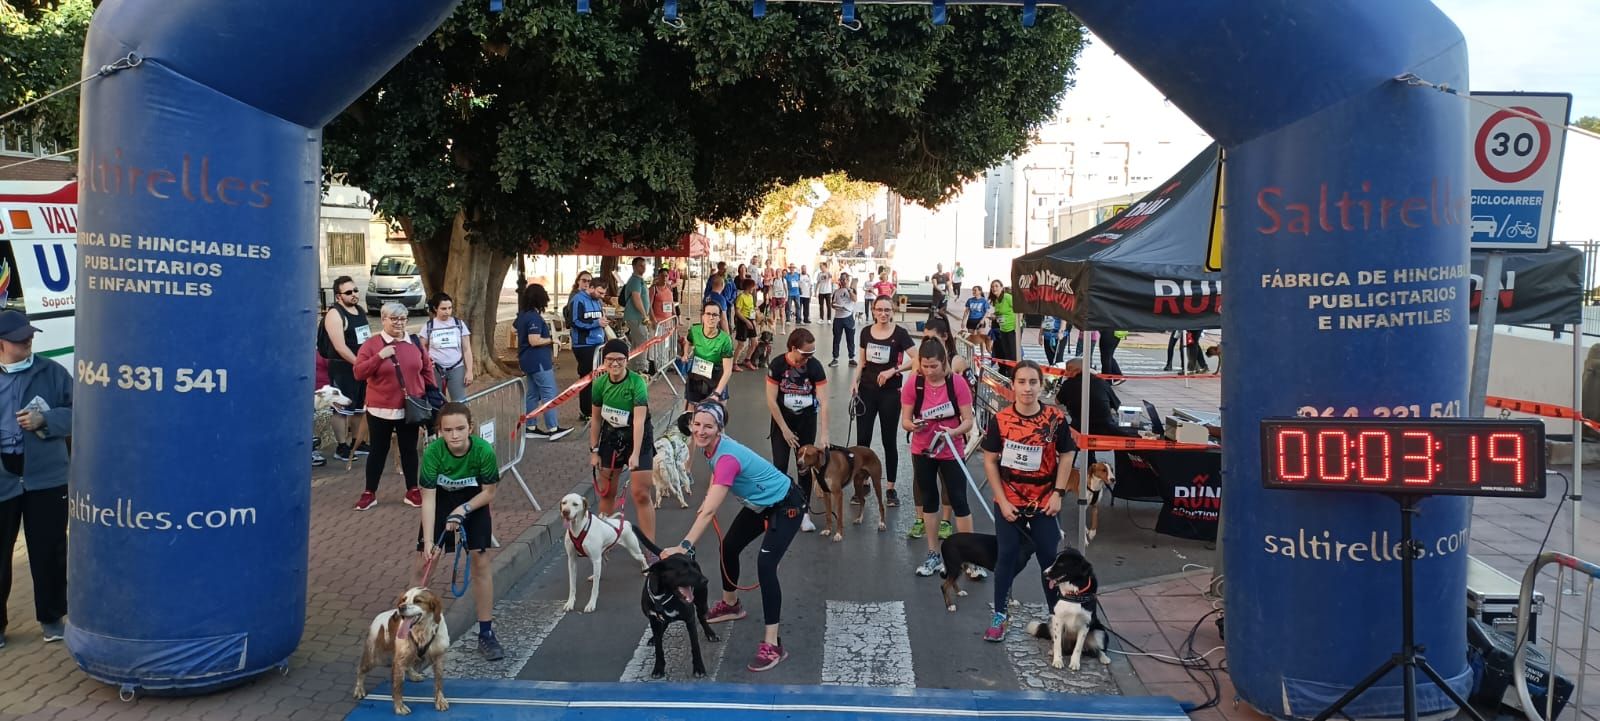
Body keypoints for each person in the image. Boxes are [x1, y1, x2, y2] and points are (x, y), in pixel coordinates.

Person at [663, 401, 803, 673]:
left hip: (787, 505)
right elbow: (714, 493)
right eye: (697, 424)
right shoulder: (713, 448)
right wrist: (708, 499)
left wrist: (684, 545)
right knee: (729, 546)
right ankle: (731, 605)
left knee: (766, 566)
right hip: (760, 504)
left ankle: (773, 644)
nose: (701, 431)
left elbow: (711, 510)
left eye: (708, 426)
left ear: (719, 430)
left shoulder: (726, 457)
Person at [981, 360, 1073, 641]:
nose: (1027, 388)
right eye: (1021, 382)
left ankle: (1056, 616)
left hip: (1044, 500)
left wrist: (1058, 493)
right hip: (1010, 499)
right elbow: (989, 459)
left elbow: (1068, 454)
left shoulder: (1055, 419)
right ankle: (999, 615)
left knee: (1049, 559)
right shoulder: (1002, 419)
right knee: (1007, 556)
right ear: (1013, 385)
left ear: (1041, 385)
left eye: (1033, 382)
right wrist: (1001, 500)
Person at [0, 311, 72, 648]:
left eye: (30, 335)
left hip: (47, 478)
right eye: (19, 337)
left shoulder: (53, 372)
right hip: (3, 480)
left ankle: (52, 618)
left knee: (50, 551)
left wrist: (47, 419)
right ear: (2, 344)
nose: (28, 340)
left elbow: (83, 412)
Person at [417, 402, 505, 660]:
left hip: (473, 499)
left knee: (481, 561)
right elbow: (429, 498)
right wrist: (430, 542)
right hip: (441, 499)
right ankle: (414, 628)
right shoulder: (433, 452)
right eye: (448, 430)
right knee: (424, 563)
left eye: (460, 429)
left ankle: (486, 633)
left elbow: (489, 492)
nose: (454, 435)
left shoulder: (483, 451)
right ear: (439, 431)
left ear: (470, 428)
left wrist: (463, 509)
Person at [353, 302, 437, 511]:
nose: (399, 323)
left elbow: (426, 369)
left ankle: (412, 489)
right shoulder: (372, 344)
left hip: (410, 407)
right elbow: (359, 372)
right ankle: (369, 492)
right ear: (383, 320)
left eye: (403, 319)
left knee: (409, 450)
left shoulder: (414, 342)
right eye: (394, 319)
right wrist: (379, 357)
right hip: (379, 407)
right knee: (378, 451)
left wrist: (430, 393)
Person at [901, 339, 974, 576]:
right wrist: (913, 426)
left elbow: (968, 421)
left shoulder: (957, 383)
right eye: (925, 366)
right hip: (923, 449)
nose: (930, 372)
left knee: (959, 500)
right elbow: (905, 420)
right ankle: (933, 553)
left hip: (951, 449)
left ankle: (968, 556)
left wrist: (952, 432)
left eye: (934, 366)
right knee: (929, 499)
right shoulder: (915, 383)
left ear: (944, 363)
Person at [589, 338, 657, 542]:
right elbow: (596, 419)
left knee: (641, 493)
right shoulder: (599, 384)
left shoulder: (637, 383)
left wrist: (635, 454)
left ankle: (650, 550)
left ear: (627, 360)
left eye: (620, 359)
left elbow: (638, 421)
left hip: (638, 436)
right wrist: (593, 450)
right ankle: (604, 545)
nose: (615, 364)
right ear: (604, 362)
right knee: (607, 491)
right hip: (611, 436)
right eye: (610, 360)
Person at [852, 295, 916, 508]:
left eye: (887, 310)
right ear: (873, 311)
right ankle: (863, 482)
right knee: (863, 440)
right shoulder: (865, 332)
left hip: (889, 394)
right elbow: (862, 362)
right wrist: (855, 382)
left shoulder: (900, 334)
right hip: (867, 391)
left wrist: (893, 370)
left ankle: (890, 487)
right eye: (879, 310)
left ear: (893, 311)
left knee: (889, 441)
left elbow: (917, 358)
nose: (883, 314)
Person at [765, 328, 829, 534]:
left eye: (813, 353)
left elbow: (823, 400)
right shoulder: (777, 365)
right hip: (782, 422)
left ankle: (804, 513)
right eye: (806, 353)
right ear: (794, 348)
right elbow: (771, 400)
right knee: (780, 465)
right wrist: (784, 430)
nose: (809, 358)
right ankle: (777, 509)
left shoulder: (815, 367)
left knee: (805, 468)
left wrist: (824, 433)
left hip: (806, 422)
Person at [908, 318, 965, 541]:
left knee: (948, 480)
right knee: (921, 480)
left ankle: (945, 520)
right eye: (925, 338)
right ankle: (921, 518)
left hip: (950, 434)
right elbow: (914, 382)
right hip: (924, 436)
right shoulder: (921, 364)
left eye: (933, 338)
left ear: (945, 337)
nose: (928, 342)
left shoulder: (956, 360)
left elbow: (954, 380)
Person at [514, 284, 573, 441]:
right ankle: (553, 428)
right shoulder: (533, 317)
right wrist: (552, 340)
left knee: (533, 394)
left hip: (526, 359)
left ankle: (530, 426)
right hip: (538, 360)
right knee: (549, 393)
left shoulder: (523, 315)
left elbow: (517, 330)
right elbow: (534, 340)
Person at [322, 275, 370, 461]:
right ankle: (341, 446)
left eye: (355, 290)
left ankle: (357, 443)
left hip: (361, 367)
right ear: (338, 296)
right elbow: (340, 347)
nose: (354, 294)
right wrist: (360, 363)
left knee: (359, 407)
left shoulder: (360, 310)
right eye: (348, 292)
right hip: (343, 368)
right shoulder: (335, 314)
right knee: (342, 408)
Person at [419, 292, 474, 402]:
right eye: (443, 308)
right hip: (436, 369)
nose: (447, 312)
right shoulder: (429, 326)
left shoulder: (459, 324)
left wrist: (469, 371)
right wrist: (427, 362)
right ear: (435, 309)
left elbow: (467, 349)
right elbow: (421, 348)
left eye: (449, 308)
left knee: (460, 402)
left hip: (456, 367)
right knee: (436, 400)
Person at [682, 301, 734, 411]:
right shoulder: (695, 330)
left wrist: (717, 393)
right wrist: (685, 354)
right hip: (697, 375)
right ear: (703, 316)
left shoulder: (725, 340)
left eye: (715, 315)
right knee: (691, 414)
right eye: (708, 314)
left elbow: (728, 370)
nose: (711, 318)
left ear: (719, 318)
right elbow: (688, 341)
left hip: (716, 377)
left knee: (717, 415)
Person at [570, 275, 607, 423]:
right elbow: (575, 321)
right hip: (584, 345)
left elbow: (599, 319)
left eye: (603, 293)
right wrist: (595, 323)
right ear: (591, 288)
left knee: (598, 378)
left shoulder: (597, 301)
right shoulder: (578, 300)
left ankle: (597, 408)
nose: (601, 296)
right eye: (599, 292)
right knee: (587, 378)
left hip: (598, 343)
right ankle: (586, 411)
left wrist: (602, 324)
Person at [623, 257, 652, 374]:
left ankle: (632, 369)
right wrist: (645, 315)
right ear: (634, 266)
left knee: (637, 343)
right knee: (642, 341)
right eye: (641, 265)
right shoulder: (635, 280)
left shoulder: (639, 280)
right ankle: (641, 368)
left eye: (644, 265)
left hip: (637, 317)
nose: (643, 268)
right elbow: (636, 297)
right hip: (635, 317)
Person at [989, 281, 1018, 377]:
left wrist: (1018, 324)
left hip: (1013, 328)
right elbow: (999, 314)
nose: (994, 288)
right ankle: (1009, 375)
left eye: (996, 286)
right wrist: (993, 316)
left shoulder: (1007, 297)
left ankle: (1015, 374)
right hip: (1003, 329)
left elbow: (1019, 309)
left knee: (1013, 354)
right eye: (992, 286)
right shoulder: (997, 300)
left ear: (1002, 287)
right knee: (1006, 354)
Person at [829, 272, 858, 367]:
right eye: (841, 279)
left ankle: (851, 358)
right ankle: (835, 358)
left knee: (850, 339)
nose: (843, 281)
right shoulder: (836, 292)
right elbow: (832, 304)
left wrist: (848, 289)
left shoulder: (852, 290)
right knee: (836, 339)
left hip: (848, 318)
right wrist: (836, 306)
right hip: (838, 318)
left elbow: (854, 299)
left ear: (848, 280)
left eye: (844, 279)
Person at [733, 278, 759, 371]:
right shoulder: (741, 297)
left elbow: (751, 309)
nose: (754, 288)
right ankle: (734, 363)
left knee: (754, 342)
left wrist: (753, 320)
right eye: (753, 286)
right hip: (742, 321)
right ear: (749, 287)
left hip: (751, 320)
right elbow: (737, 312)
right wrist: (746, 321)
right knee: (741, 344)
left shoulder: (751, 296)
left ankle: (747, 360)